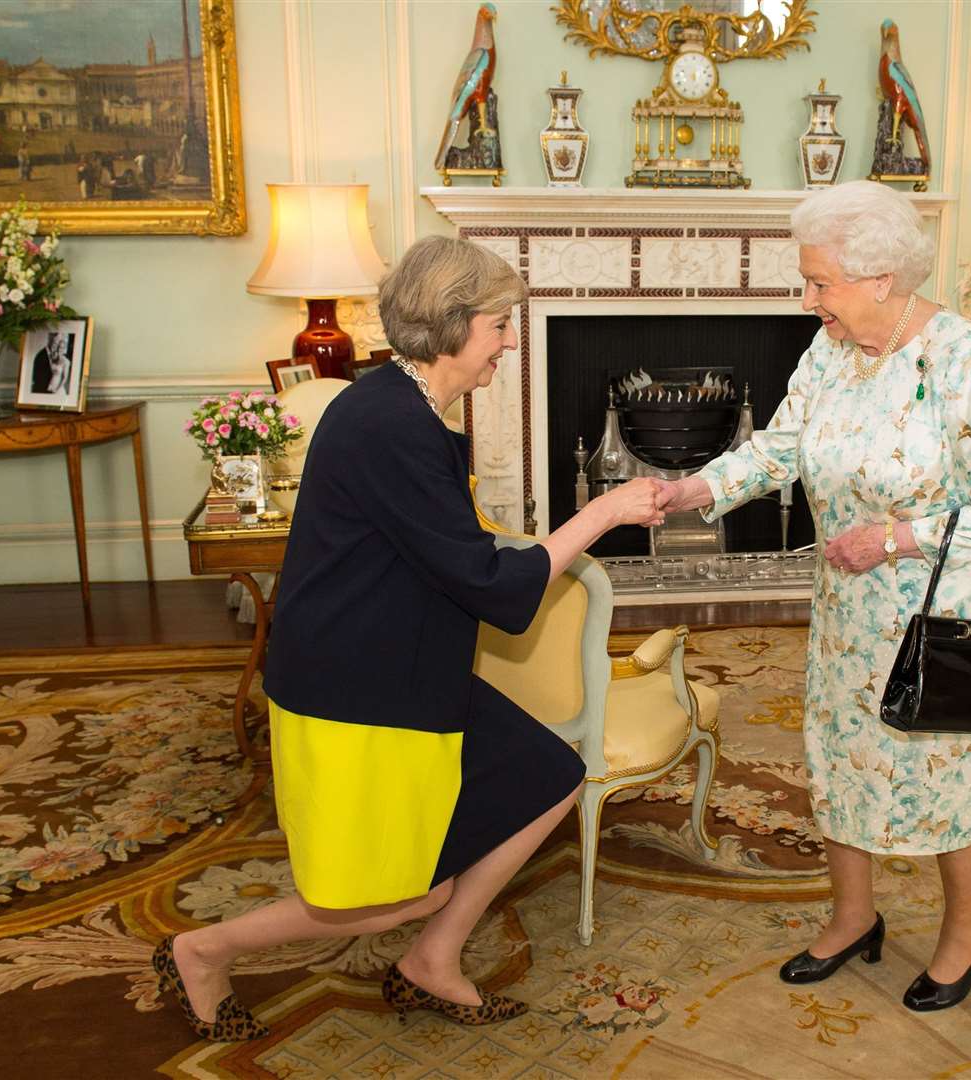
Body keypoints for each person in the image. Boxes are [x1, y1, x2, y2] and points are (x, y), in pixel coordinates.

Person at [153, 236, 671, 1041]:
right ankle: (201, 949)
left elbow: (451, 546)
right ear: (457, 323)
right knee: (403, 891)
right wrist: (601, 514)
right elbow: (495, 590)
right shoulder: (390, 423)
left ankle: (433, 960)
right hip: (357, 686)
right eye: (501, 324)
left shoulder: (404, 406)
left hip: (407, 659)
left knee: (550, 774)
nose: (509, 341)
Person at [655, 180, 971, 1013]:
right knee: (841, 755)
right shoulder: (829, 351)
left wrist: (893, 538)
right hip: (846, 609)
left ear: (879, 280)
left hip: (937, 611)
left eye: (819, 282)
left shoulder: (962, 358)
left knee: (942, 767)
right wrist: (691, 490)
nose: (807, 300)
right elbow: (779, 448)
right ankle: (853, 915)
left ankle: (967, 931)